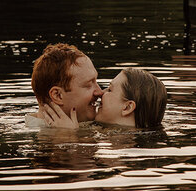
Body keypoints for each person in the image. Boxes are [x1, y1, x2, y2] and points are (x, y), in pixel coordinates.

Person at [39, 66, 167, 130]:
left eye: (110, 89)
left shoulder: (123, 145)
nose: (100, 93)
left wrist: (68, 136)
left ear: (127, 107)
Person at [27, 43, 103, 127]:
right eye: (88, 85)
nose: (100, 92)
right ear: (58, 95)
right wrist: (67, 136)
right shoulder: (36, 136)